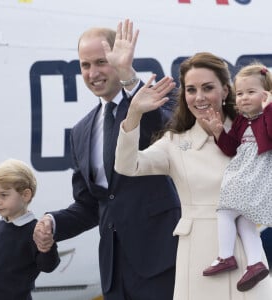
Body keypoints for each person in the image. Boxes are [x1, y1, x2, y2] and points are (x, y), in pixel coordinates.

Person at [33, 19, 180, 300]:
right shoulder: (81, 131)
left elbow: (163, 126)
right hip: (115, 270)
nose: (93, 73)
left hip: (162, 262)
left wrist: (129, 77)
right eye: (85, 65)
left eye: (102, 62)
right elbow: (91, 205)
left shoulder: (153, 100)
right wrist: (52, 223)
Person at [114, 52, 272, 300]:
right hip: (198, 259)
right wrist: (134, 113)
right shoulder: (175, 142)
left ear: (225, 91)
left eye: (208, 88)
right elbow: (128, 165)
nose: (199, 97)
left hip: (247, 258)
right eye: (191, 89)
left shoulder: (255, 133)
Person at [202, 63, 272, 291]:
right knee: (244, 221)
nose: (243, 98)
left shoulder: (268, 116)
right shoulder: (242, 120)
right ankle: (255, 263)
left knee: (225, 211)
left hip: (256, 177)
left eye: (251, 92)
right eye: (240, 93)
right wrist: (219, 132)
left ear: (266, 94)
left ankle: (225, 256)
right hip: (246, 175)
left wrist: (269, 108)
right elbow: (231, 148)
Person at [0, 158, 60, 300]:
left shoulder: (35, 231)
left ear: (25, 195)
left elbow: (48, 266)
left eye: (3, 195)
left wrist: (47, 246)